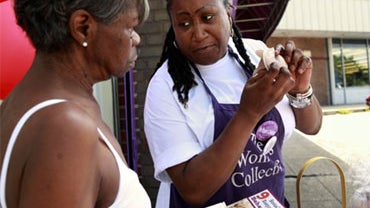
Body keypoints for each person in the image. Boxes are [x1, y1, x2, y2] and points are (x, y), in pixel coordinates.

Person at [144, 0, 323, 207]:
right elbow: (193, 189)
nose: (198, 33)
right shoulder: (165, 86)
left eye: (207, 18)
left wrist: (300, 90)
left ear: (228, 15)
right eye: (184, 24)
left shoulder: (255, 54)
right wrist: (248, 113)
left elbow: (312, 126)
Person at [0, 0, 151, 207]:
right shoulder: (65, 127)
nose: (136, 39)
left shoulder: (22, 103)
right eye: (130, 27)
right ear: (83, 27)